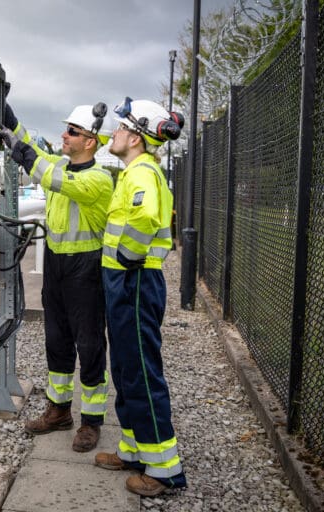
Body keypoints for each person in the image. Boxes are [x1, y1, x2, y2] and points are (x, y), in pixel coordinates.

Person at [0, 103, 114, 452]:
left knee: (90, 346)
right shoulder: (62, 164)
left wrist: (23, 154)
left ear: (90, 141)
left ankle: (91, 422)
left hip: (86, 270)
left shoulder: (99, 179)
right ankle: (59, 410)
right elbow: (37, 154)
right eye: (66, 130)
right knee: (57, 342)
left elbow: (50, 176)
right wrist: (9, 117)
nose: (65, 135)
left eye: (72, 132)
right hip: (57, 267)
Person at [93, 97, 187, 496]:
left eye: (119, 127)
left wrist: (127, 257)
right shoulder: (137, 169)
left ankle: (164, 470)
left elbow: (146, 217)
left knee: (142, 374)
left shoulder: (142, 172)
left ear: (134, 135)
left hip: (134, 283)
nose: (113, 133)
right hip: (127, 283)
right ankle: (135, 450)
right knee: (127, 369)